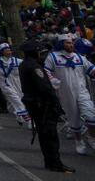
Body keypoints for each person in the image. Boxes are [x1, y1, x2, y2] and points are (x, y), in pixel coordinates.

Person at [22, 39, 75, 174]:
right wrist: (56, 104)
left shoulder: (25, 64)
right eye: (39, 51)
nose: (41, 53)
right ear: (35, 52)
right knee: (50, 136)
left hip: (35, 104)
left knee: (44, 135)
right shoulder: (34, 67)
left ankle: (50, 161)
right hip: (42, 105)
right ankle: (55, 163)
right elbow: (45, 88)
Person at [46, 35, 95, 154]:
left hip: (82, 91)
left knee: (91, 116)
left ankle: (92, 137)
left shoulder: (79, 57)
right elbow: (46, 71)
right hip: (66, 93)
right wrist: (54, 81)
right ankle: (78, 141)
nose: (71, 45)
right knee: (74, 119)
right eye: (68, 43)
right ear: (62, 44)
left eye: (72, 43)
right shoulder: (53, 57)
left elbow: (92, 69)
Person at [0, 43, 30, 126]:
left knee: (21, 102)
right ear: (2, 52)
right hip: (6, 86)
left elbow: (27, 67)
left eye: (9, 50)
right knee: (18, 102)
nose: (9, 52)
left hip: (18, 86)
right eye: (6, 50)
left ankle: (18, 115)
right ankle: (29, 122)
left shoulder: (17, 61)